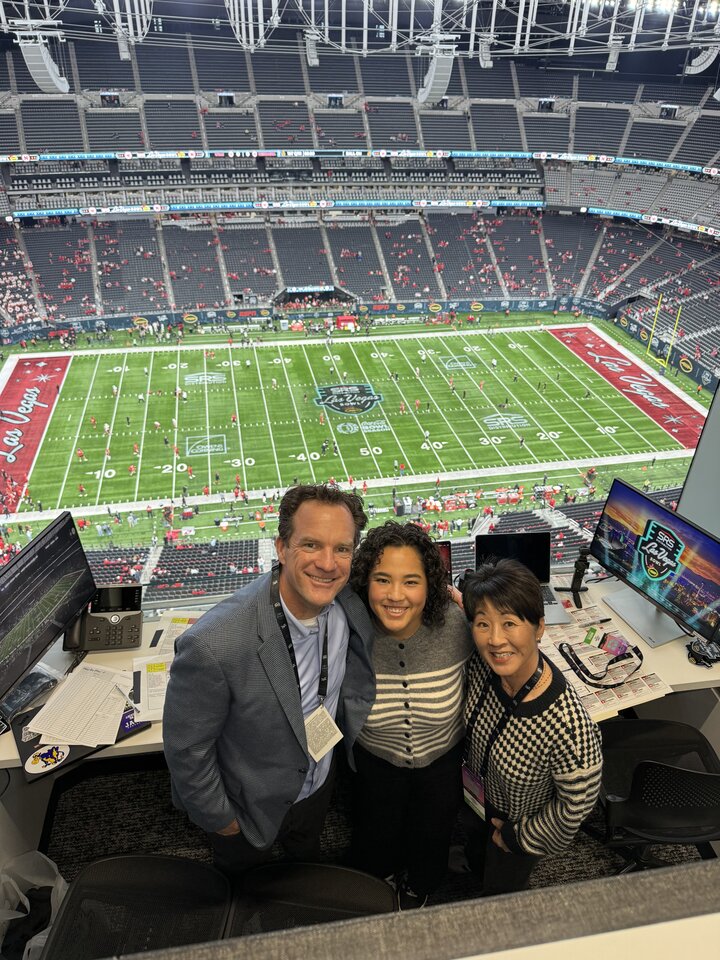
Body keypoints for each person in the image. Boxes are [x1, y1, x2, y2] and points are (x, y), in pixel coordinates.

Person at [163, 484, 375, 876]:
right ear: (281, 547)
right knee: (243, 886)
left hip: (319, 780)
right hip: (248, 804)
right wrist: (221, 819)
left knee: (304, 867)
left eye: (342, 549)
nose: (328, 564)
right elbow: (186, 751)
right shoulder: (213, 644)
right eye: (311, 545)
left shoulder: (349, 601)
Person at [348, 521, 473, 908]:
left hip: (442, 764)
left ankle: (421, 885)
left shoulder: (461, 625)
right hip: (374, 764)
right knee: (375, 834)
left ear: (430, 584)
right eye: (383, 580)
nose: (395, 595)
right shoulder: (346, 629)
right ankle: (379, 880)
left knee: (432, 836)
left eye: (411, 581)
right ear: (365, 582)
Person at [460, 559, 602, 895]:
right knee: (476, 858)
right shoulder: (484, 666)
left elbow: (574, 809)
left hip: (515, 829)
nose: (495, 639)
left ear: (539, 628)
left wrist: (515, 838)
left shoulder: (567, 726)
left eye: (509, 623)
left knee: (500, 894)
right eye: (483, 624)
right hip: (476, 797)